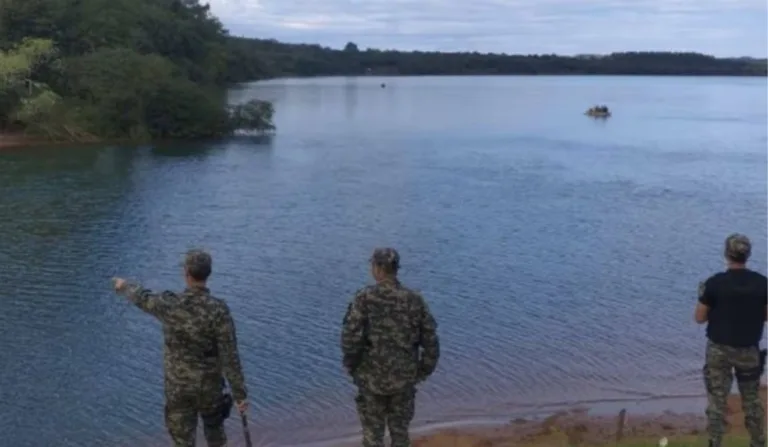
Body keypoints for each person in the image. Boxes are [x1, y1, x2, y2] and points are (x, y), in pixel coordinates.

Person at [112, 249, 248, 447]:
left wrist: (124, 285)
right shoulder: (219, 310)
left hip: (179, 388)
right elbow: (230, 357)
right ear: (208, 274)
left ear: (186, 274)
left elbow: (142, 297)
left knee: (182, 441)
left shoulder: (170, 305)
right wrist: (240, 396)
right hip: (209, 388)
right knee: (215, 436)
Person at [341, 248, 440, 447]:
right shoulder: (414, 300)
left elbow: (350, 339)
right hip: (404, 379)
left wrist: (353, 368)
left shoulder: (364, 298)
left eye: (373, 265)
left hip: (371, 379)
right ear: (396, 269)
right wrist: (420, 372)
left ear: (378, 268)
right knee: (400, 434)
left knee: (372, 436)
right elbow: (431, 343)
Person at [694, 233, 767, 447]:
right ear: (748, 255)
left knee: (717, 401)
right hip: (749, 350)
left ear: (727, 254)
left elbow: (699, 318)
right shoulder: (763, 284)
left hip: (718, 350)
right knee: (752, 401)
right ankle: (758, 443)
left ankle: (715, 443)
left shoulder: (714, 283)